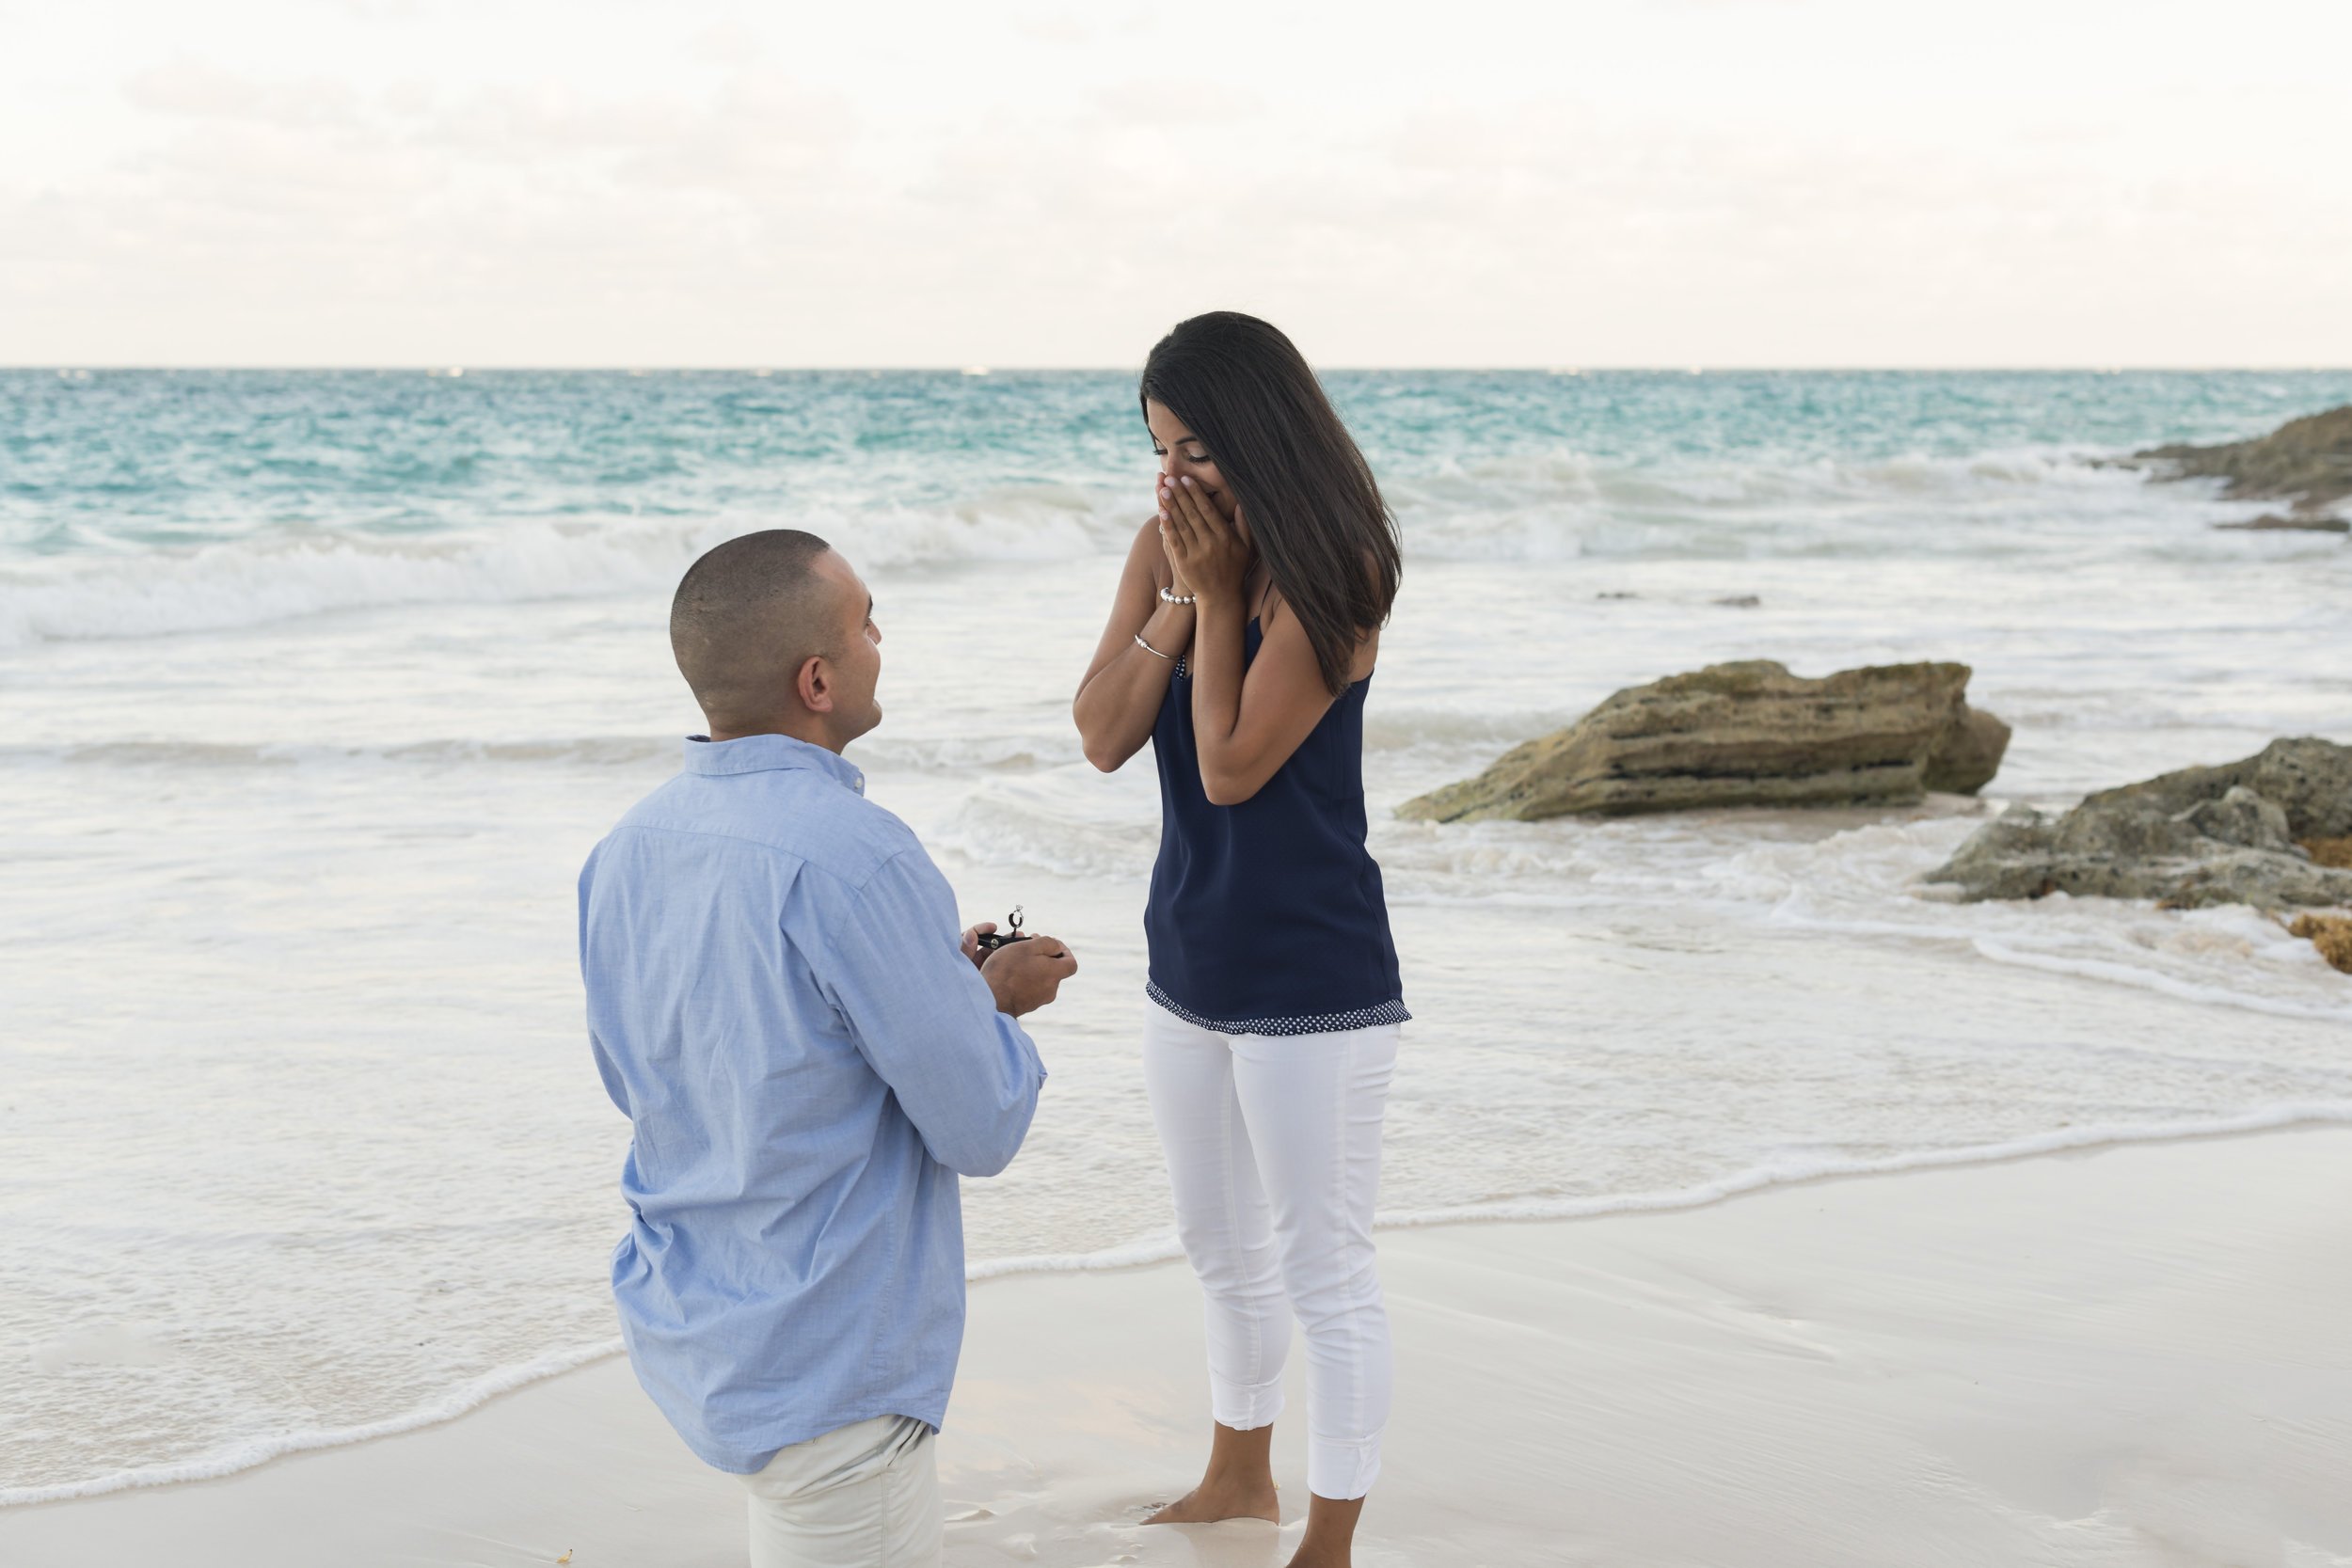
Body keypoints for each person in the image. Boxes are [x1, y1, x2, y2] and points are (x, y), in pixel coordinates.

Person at [579, 529, 1078, 1568]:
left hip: (707, 1317)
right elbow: (980, 1122)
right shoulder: (859, 853)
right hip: (833, 1342)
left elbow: (666, 1071)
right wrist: (993, 1005)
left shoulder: (625, 849)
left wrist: (926, 986)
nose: (879, 637)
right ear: (817, 678)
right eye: (864, 624)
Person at [1071, 313, 1407, 1568]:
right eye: (1160, 447)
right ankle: (1236, 1474)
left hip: (1315, 978)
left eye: (1199, 444)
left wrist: (1213, 598)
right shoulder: (1166, 551)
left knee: (1322, 1266)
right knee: (1217, 1242)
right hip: (1187, 961)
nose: (1175, 476)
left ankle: (1329, 1538)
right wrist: (1174, 596)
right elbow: (1103, 733)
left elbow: (1227, 767)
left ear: (1264, 431)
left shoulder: (1341, 572)